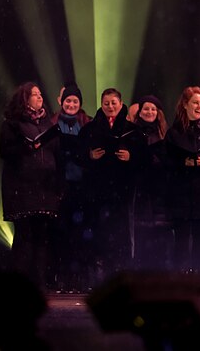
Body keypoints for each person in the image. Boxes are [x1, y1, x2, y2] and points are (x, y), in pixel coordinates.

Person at [0, 82, 63, 291]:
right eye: (34, 95)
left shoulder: (46, 123)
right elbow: (6, 152)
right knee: (25, 237)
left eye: (40, 94)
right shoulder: (12, 124)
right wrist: (26, 146)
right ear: (24, 99)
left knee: (42, 237)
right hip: (22, 188)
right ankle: (20, 284)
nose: (39, 97)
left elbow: (55, 152)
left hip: (45, 188)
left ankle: (39, 283)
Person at [79, 88, 144, 285]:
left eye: (113, 103)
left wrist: (131, 156)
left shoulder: (132, 130)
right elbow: (76, 155)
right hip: (97, 191)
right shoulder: (89, 129)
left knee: (121, 232)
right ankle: (100, 276)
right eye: (106, 103)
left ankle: (120, 274)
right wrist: (89, 156)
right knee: (99, 231)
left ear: (121, 102)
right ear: (101, 104)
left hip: (122, 191)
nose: (110, 107)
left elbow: (145, 158)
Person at [164, 86, 200, 272]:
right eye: (195, 103)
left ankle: (199, 276)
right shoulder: (173, 133)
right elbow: (166, 162)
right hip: (181, 194)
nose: (199, 106)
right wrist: (184, 163)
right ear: (184, 105)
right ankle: (180, 277)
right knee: (181, 239)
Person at [50, 83, 92, 292]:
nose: (72, 104)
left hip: (81, 187)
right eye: (68, 100)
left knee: (80, 234)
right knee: (61, 234)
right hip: (60, 186)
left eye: (75, 101)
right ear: (62, 102)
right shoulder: (52, 124)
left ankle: (79, 278)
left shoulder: (86, 124)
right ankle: (62, 276)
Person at [127, 94, 173, 270]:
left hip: (159, 189)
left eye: (153, 109)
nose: (149, 112)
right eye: (146, 108)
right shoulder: (132, 132)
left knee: (159, 232)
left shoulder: (164, 134)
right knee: (141, 231)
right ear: (140, 111)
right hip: (139, 188)